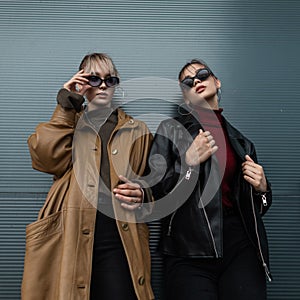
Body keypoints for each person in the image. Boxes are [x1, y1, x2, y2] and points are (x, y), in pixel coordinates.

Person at [22, 53, 154, 300]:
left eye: (110, 79)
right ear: (82, 83)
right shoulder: (69, 122)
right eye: (94, 79)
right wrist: (65, 105)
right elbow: (46, 158)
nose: (103, 85)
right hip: (70, 235)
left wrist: (142, 193)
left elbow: (151, 184)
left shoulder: (139, 130)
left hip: (120, 238)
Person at [148, 58, 272, 300]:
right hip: (189, 249)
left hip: (240, 246)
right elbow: (157, 192)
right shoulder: (170, 131)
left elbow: (259, 208)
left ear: (216, 81)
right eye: (187, 81)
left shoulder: (242, 143)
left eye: (202, 74)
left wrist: (262, 189)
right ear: (186, 98)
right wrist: (188, 162)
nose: (196, 80)